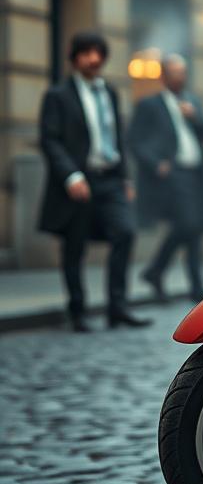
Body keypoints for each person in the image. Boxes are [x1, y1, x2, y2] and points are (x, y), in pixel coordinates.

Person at [37, 30, 152, 332]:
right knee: (74, 246)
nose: (94, 59)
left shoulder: (109, 93)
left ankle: (118, 307)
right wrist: (70, 176)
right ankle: (77, 310)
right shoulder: (58, 96)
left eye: (98, 53)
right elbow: (49, 139)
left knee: (125, 233)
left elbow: (118, 137)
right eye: (87, 53)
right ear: (75, 58)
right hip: (78, 180)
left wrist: (125, 176)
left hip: (110, 178)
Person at [128, 53, 203, 302]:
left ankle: (162, 274)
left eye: (183, 72)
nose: (181, 77)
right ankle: (177, 278)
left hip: (195, 175)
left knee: (194, 229)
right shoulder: (149, 105)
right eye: (175, 72)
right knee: (189, 224)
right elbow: (135, 140)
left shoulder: (192, 102)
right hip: (172, 176)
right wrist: (156, 163)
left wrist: (195, 117)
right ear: (164, 76)